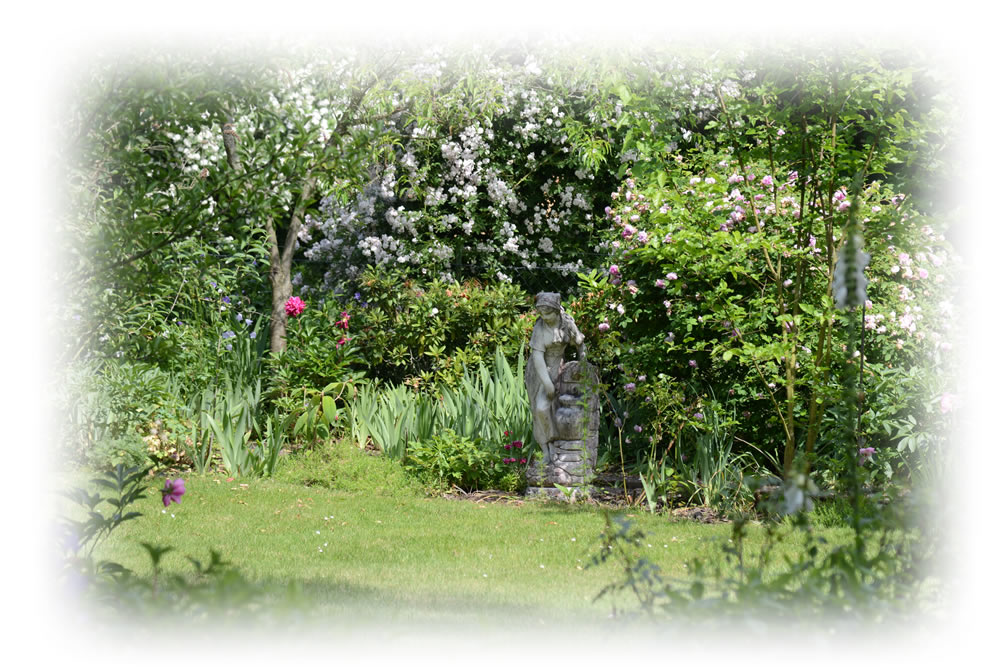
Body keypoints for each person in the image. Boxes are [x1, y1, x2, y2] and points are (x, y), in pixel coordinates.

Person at [524, 292, 586, 462]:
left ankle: (559, 447)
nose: (545, 317)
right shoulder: (540, 327)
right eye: (542, 313)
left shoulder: (566, 324)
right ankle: (546, 449)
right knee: (540, 409)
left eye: (548, 313)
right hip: (539, 371)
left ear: (557, 311)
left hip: (560, 368)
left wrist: (584, 364)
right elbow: (537, 357)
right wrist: (547, 383)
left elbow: (580, 344)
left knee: (559, 409)